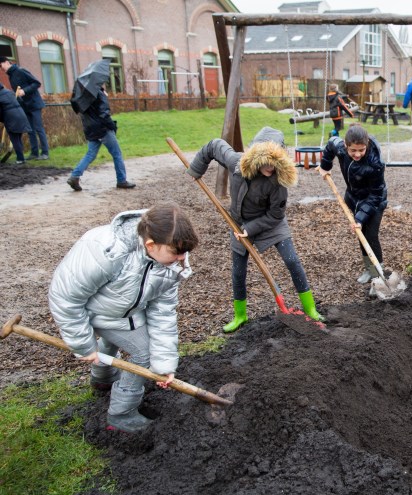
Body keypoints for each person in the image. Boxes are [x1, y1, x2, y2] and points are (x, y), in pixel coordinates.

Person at [48, 204, 199, 433]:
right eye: (176, 253)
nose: (181, 259)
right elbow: (65, 297)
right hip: (92, 311)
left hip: (124, 311)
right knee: (143, 353)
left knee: (118, 340)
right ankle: (121, 415)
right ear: (150, 245)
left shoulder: (170, 266)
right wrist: (83, 345)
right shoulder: (107, 250)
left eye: (184, 253)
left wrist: (165, 364)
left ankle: (103, 379)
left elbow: (163, 314)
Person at [188, 127, 323, 329]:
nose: (271, 166)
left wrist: (251, 229)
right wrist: (197, 169)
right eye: (267, 161)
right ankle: (240, 315)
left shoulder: (278, 181)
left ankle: (310, 309)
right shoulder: (236, 162)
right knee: (238, 271)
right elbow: (214, 146)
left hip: (270, 223)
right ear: (256, 157)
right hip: (238, 224)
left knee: (292, 260)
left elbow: (276, 214)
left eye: (275, 162)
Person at [319, 124, 387, 284]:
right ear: (345, 145)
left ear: (367, 145)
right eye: (353, 150)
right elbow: (330, 145)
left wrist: (360, 218)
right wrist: (325, 166)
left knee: (370, 236)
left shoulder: (375, 163)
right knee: (360, 233)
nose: (357, 154)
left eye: (361, 150)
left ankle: (378, 277)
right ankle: (370, 270)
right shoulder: (340, 147)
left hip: (375, 200)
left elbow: (376, 194)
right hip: (353, 198)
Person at [67, 83, 135, 191]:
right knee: (117, 154)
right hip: (102, 129)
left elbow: (78, 111)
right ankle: (122, 180)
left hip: (90, 129)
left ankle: (74, 176)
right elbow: (104, 113)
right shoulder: (98, 93)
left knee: (90, 154)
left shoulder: (81, 95)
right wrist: (112, 126)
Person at [0, 56, 49, 160]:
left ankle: (45, 153)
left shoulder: (21, 71)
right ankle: (34, 153)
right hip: (24, 106)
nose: (1, 69)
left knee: (38, 128)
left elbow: (37, 83)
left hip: (34, 104)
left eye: (1, 65)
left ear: (6, 62)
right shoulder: (11, 75)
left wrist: (24, 91)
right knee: (30, 130)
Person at [0, 82, 31, 164]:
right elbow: (20, 101)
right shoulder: (9, 92)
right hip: (21, 115)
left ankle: (20, 159)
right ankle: (21, 158)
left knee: (14, 139)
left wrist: (3, 120)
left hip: (11, 118)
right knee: (18, 138)